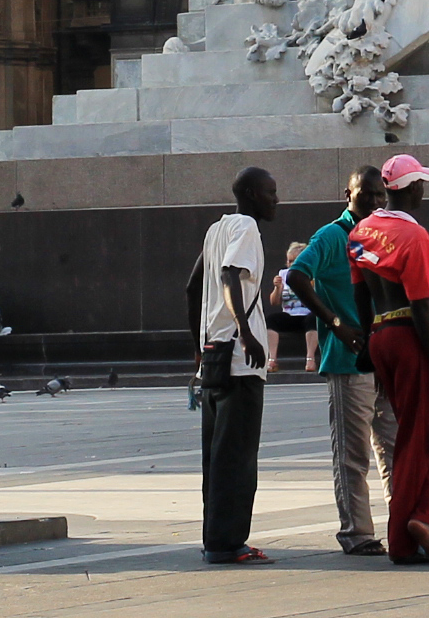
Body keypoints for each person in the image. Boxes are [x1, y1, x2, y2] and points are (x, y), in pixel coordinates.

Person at [350, 153, 429, 565]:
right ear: (412, 188)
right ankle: (418, 527)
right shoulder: (414, 237)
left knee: (411, 435)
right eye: (422, 183)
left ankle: (417, 531)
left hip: (380, 338)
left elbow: (361, 295)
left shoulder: (363, 230)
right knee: (426, 440)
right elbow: (422, 310)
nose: (424, 189)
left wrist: (371, 351)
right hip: (406, 336)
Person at [284, 166, 389, 556]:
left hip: (385, 356)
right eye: (368, 195)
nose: (376, 202)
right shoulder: (332, 236)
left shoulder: (383, 232)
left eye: (381, 195)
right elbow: (297, 275)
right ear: (348, 194)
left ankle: (404, 524)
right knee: (353, 454)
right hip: (348, 358)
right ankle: (357, 533)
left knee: (394, 449)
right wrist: (335, 322)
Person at [190, 167, 279, 567]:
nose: (276, 199)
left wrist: (198, 344)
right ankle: (227, 544)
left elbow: (193, 287)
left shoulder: (216, 230)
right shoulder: (245, 227)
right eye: (270, 192)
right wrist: (245, 329)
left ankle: (216, 538)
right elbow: (229, 274)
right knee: (237, 456)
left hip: (213, 356)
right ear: (250, 194)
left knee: (217, 454)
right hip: (238, 360)